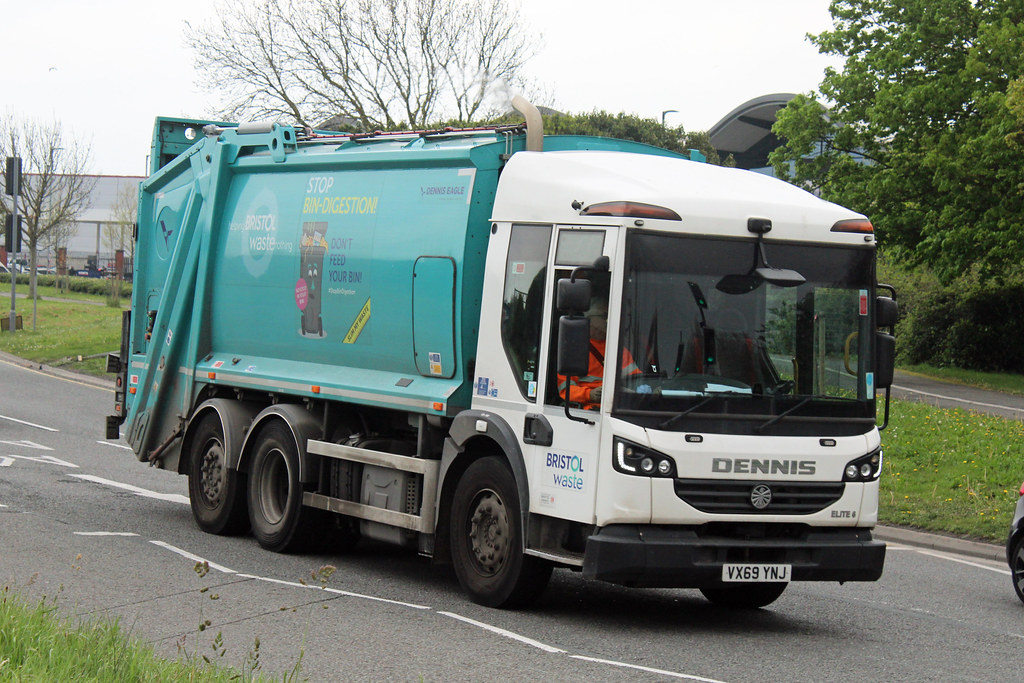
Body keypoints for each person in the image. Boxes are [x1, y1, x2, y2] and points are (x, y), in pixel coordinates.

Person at [558, 299, 640, 409]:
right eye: (604, 316)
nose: (609, 320)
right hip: (583, 412)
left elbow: (636, 379)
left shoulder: (618, 350)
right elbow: (565, 389)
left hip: (615, 408)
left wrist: (648, 387)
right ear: (590, 319)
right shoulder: (575, 349)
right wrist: (589, 395)